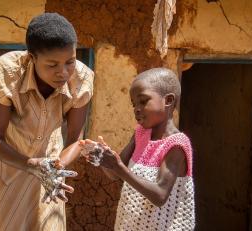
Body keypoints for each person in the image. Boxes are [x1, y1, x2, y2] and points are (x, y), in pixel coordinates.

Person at [0, 13, 94, 231]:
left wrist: (55, 169)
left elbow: (75, 140)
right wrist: (32, 164)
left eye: (70, 61)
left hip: (49, 173)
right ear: (32, 58)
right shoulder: (7, 73)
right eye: (52, 64)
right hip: (3, 169)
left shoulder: (80, 79)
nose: (63, 72)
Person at [81, 68, 195, 230]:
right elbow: (115, 174)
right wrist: (102, 159)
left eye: (143, 101)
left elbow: (160, 195)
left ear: (168, 100)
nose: (136, 109)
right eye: (134, 104)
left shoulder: (176, 144)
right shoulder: (140, 134)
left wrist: (117, 166)